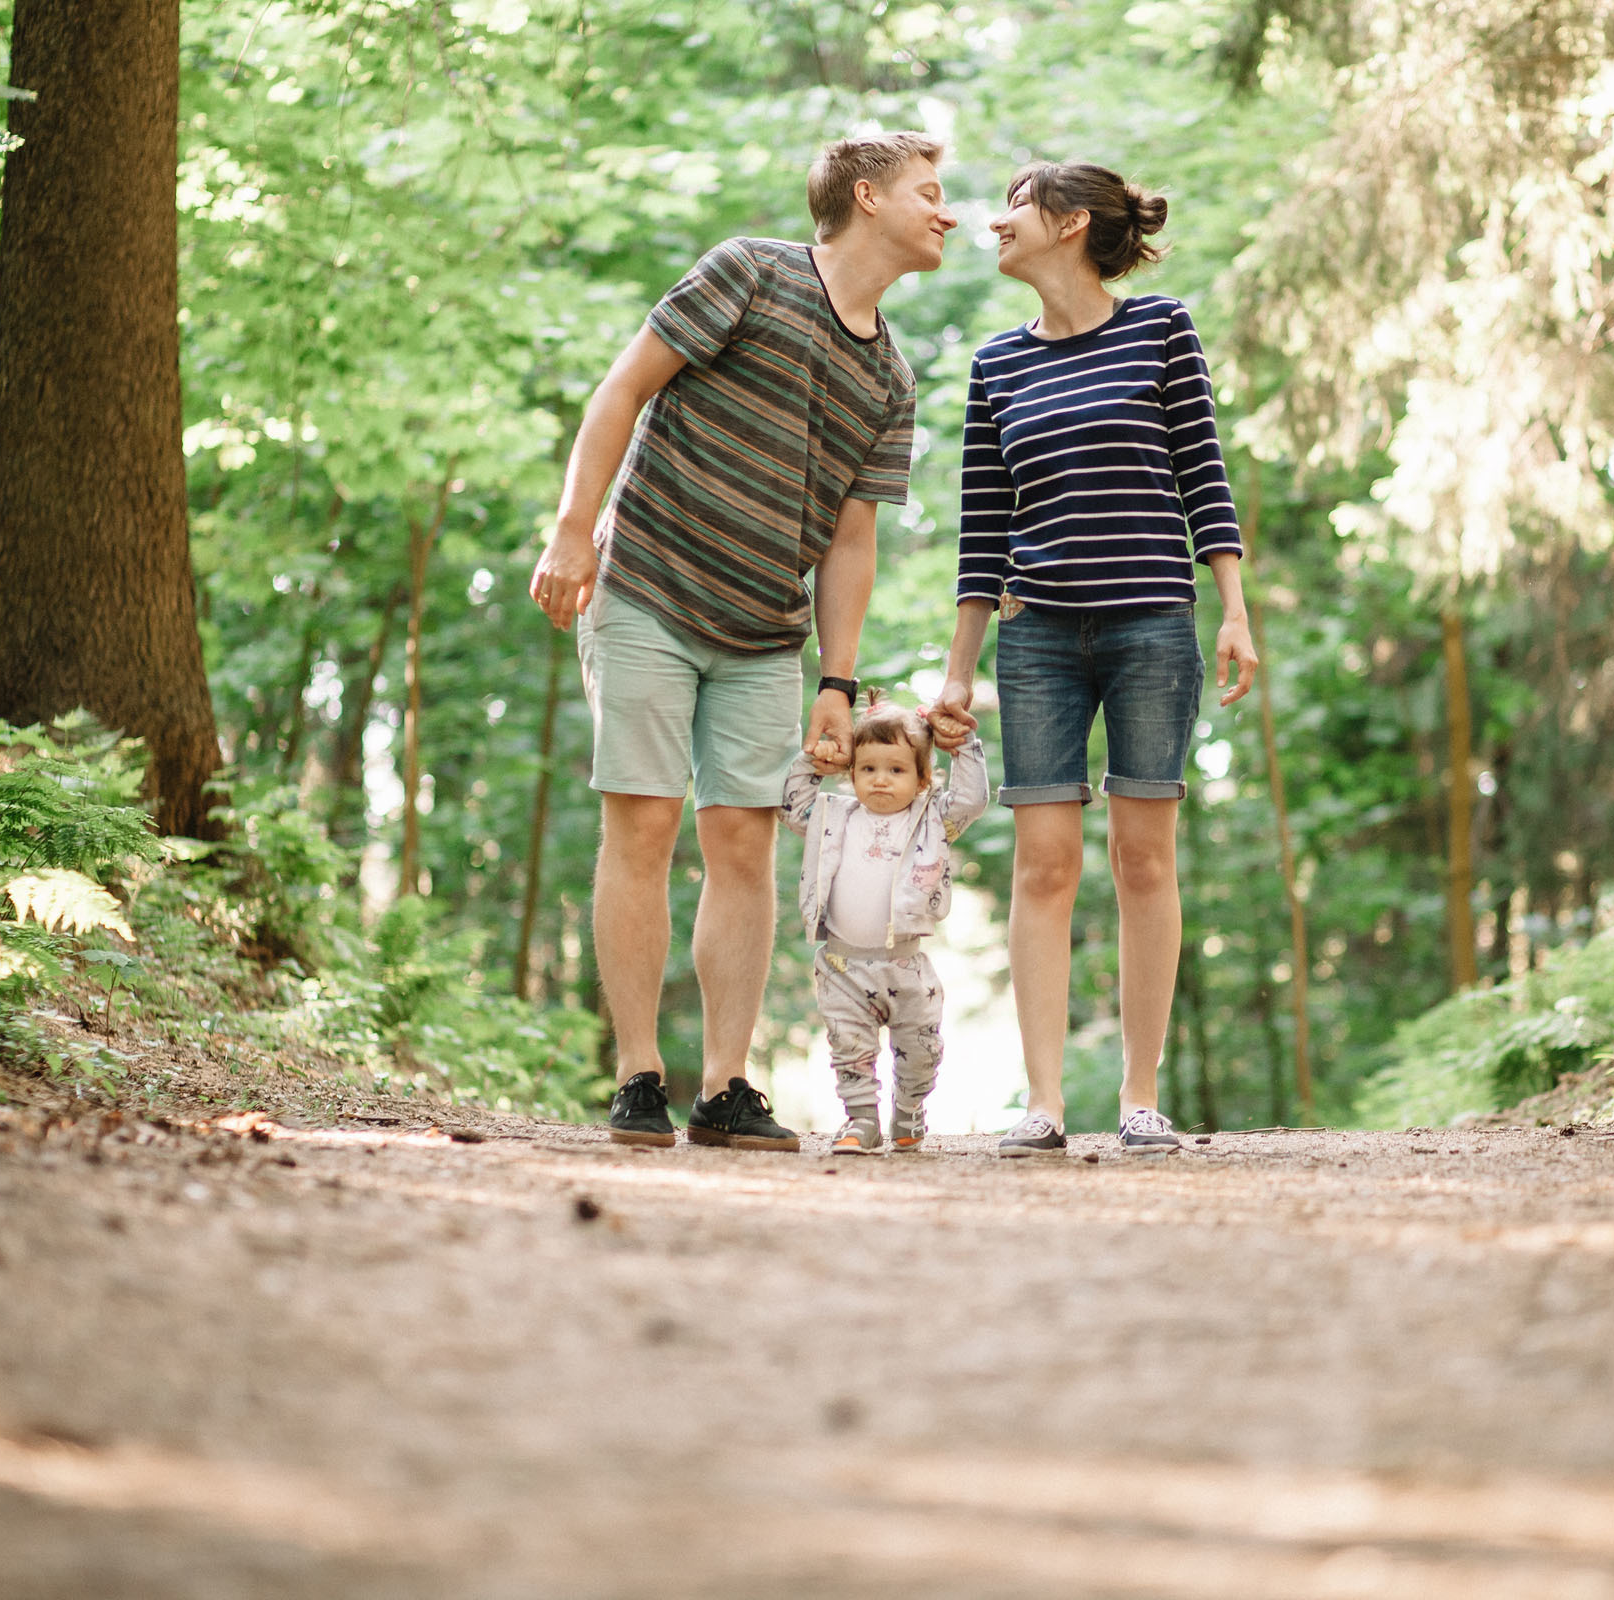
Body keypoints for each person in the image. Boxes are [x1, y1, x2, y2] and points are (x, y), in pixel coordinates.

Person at [528, 133, 957, 1152]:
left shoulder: (893, 377)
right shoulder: (750, 273)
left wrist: (838, 679)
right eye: (930, 194)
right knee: (641, 823)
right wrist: (572, 527)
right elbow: (623, 388)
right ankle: (639, 1076)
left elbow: (855, 535)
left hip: (765, 633)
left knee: (746, 843)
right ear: (867, 196)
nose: (946, 213)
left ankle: (725, 1085)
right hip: (647, 587)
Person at [927, 160, 1257, 1158]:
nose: (994, 222)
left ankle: (1142, 1096)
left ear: (1070, 225)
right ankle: (1043, 1101)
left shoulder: (1162, 328)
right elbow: (982, 528)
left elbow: (1205, 471)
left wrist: (1234, 607)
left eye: (1016, 208)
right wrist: (957, 667)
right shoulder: (996, 364)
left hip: (1153, 621)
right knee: (1044, 865)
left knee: (1144, 857)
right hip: (1038, 638)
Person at [781, 703, 990, 1155]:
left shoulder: (931, 820)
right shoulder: (833, 818)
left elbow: (972, 800)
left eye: (895, 769)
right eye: (868, 768)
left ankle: (910, 1110)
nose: (880, 779)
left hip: (905, 966)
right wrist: (812, 761)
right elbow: (791, 805)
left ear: (920, 780)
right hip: (841, 964)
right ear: (851, 773)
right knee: (848, 1048)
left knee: (921, 1050)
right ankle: (861, 1120)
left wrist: (963, 747)